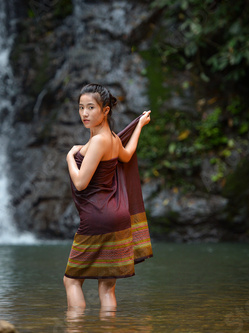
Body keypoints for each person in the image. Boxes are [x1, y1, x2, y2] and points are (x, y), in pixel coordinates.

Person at [63, 83, 153, 309]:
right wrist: (140, 125)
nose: (84, 113)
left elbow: (81, 183)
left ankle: (75, 328)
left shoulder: (99, 141)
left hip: (98, 217)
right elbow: (128, 154)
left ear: (105, 111)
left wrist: (69, 158)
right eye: (81, 107)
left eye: (91, 107)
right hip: (118, 215)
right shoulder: (112, 138)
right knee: (106, 286)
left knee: (72, 280)